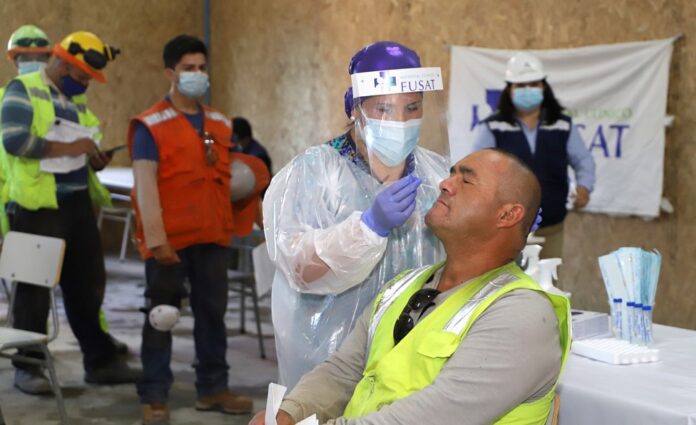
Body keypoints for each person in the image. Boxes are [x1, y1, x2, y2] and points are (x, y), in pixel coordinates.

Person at [250, 149, 571, 425]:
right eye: (451, 174)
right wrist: (289, 413)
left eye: (466, 180)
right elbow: (343, 371)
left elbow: (433, 417)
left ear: (508, 214)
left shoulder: (521, 315)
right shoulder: (403, 287)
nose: (445, 183)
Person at [263, 41, 450, 389]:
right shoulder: (314, 173)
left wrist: (501, 227)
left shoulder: (436, 173)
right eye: (384, 108)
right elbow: (299, 268)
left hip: (411, 351)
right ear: (354, 107)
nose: (400, 121)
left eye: (412, 107)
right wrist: (367, 229)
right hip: (328, 355)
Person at [0, 30, 140, 395]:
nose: (85, 84)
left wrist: (94, 158)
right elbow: (14, 140)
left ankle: (100, 362)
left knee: (86, 285)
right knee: (33, 291)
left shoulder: (74, 100)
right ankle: (28, 366)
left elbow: (80, 149)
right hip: (38, 207)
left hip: (76, 203)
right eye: (81, 76)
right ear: (61, 63)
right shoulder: (21, 90)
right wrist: (69, 147)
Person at [128, 34, 254, 424]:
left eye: (201, 67)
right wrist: (156, 240)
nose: (197, 74)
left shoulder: (220, 123)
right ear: (171, 73)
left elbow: (230, 177)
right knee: (162, 316)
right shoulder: (150, 126)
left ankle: (213, 388)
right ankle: (154, 394)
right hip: (171, 242)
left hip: (213, 237)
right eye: (188, 68)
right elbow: (145, 188)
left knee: (213, 315)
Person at [472, 52, 596, 259]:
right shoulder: (493, 126)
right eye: (521, 85)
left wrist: (585, 186)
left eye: (533, 84)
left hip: (552, 226)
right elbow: (479, 169)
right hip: (506, 229)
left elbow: (583, 160)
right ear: (509, 89)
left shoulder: (562, 125)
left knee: (549, 277)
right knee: (508, 280)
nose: (528, 90)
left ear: (544, 87)